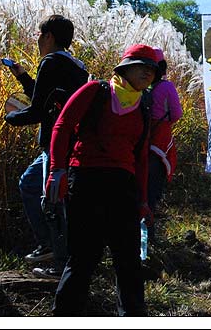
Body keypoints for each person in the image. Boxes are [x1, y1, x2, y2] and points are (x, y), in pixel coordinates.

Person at [46, 44, 158, 316]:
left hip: (123, 187)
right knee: (84, 257)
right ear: (124, 68)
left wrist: (143, 200)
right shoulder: (96, 91)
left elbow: (141, 158)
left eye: (152, 69)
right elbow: (61, 126)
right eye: (141, 66)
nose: (147, 72)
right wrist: (56, 171)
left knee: (128, 261)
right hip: (86, 180)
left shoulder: (143, 107)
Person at [3, 14, 88, 279]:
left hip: (56, 144)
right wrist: (22, 75)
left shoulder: (51, 62)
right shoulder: (77, 66)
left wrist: (9, 117)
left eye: (39, 35)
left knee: (52, 202)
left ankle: (60, 264)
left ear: (48, 36)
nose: (38, 40)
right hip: (67, 143)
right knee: (29, 185)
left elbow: (38, 110)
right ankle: (49, 246)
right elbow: (47, 97)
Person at [146, 48, 183, 239]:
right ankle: (148, 236)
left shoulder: (140, 86)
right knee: (151, 191)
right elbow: (177, 114)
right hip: (158, 143)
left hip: (138, 142)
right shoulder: (166, 87)